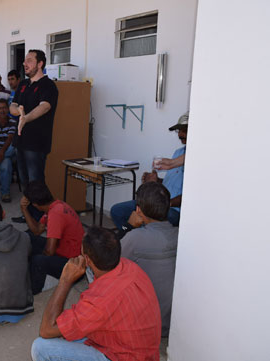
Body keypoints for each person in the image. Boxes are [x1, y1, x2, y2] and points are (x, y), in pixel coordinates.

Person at [32, 226, 161, 361]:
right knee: (65, 332)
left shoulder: (98, 302)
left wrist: (65, 280)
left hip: (122, 356)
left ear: (87, 260)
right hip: (144, 352)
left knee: (41, 347)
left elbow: (46, 330)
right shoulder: (130, 266)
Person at [117, 181, 178, 337]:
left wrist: (127, 227)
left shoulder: (135, 238)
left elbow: (110, 261)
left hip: (144, 325)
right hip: (169, 324)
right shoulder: (179, 234)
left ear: (138, 210)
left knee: (95, 268)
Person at [111, 112, 189, 230]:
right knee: (117, 211)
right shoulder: (178, 153)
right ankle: (132, 237)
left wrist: (166, 204)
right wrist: (156, 180)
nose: (180, 134)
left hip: (173, 209)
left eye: (184, 130)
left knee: (145, 219)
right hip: (156, 203)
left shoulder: (196, 161)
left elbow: (189, 195)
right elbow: (172, 183)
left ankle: (140, 240)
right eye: (179, 130)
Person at [21, 181, 84, 294]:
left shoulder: (55, 214)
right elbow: (36, 231)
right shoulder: (56, 205)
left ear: (35, 205)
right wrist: (24, 209)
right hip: (66, 252)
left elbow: (49, 251)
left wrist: (34, 258)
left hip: (73, 265)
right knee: (27, 237)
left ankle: (33, 290)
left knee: (38, 261)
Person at [9, 50, 58, 187]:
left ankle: (39, 209)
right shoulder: (23, 84)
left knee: (36, 185)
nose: (25, 63)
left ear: (40, 64)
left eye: (29, 60)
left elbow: (45, 106)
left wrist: (26, 118)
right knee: (25, 184)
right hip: (20, 142)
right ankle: (28, 208)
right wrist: (18, 111)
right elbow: (13, 106)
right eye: (25, 60)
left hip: (36, 144)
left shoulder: (48, 85)